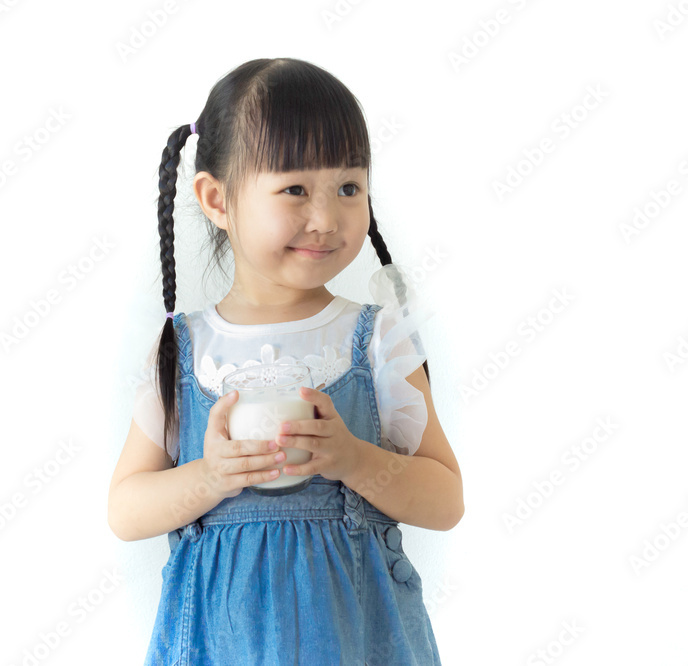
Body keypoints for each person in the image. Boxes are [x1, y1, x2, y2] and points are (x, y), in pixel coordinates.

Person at [107, 57, 464, 665]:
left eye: (348, 187)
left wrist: (354, 459)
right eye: (294, 189)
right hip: (217, 646)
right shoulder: (184, 349)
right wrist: (212, 476)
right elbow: (126, 509)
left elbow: (446, 500)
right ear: (216, 199)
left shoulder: (376, 340)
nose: (325, 218)